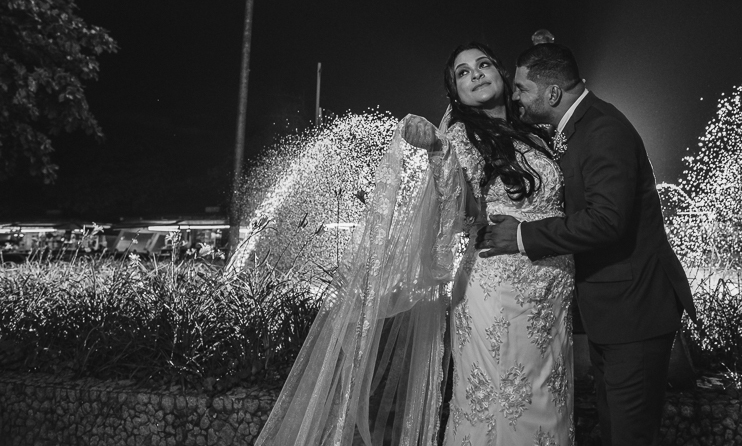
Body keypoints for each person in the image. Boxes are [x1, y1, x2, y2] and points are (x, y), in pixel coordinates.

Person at [255, 42, 574, 446]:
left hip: (553, 293)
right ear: (456, 93)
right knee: (500, 406)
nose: (476, 74)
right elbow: (462, 212)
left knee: (550, 401)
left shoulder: (537, 131)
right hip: (498, 291)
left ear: (501, 73)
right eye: (463, 73)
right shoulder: (461, 136)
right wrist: (439, 152)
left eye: (483, 65)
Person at [480, 42, 696, 446]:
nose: (515, 96)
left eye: (522, 89)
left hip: (634, 310)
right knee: (616, 430)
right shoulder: (577, 127)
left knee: (630, 435)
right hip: (613, 312)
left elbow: (606, 220)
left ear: (553, 93)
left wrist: (524, 235)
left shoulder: (603, 129)